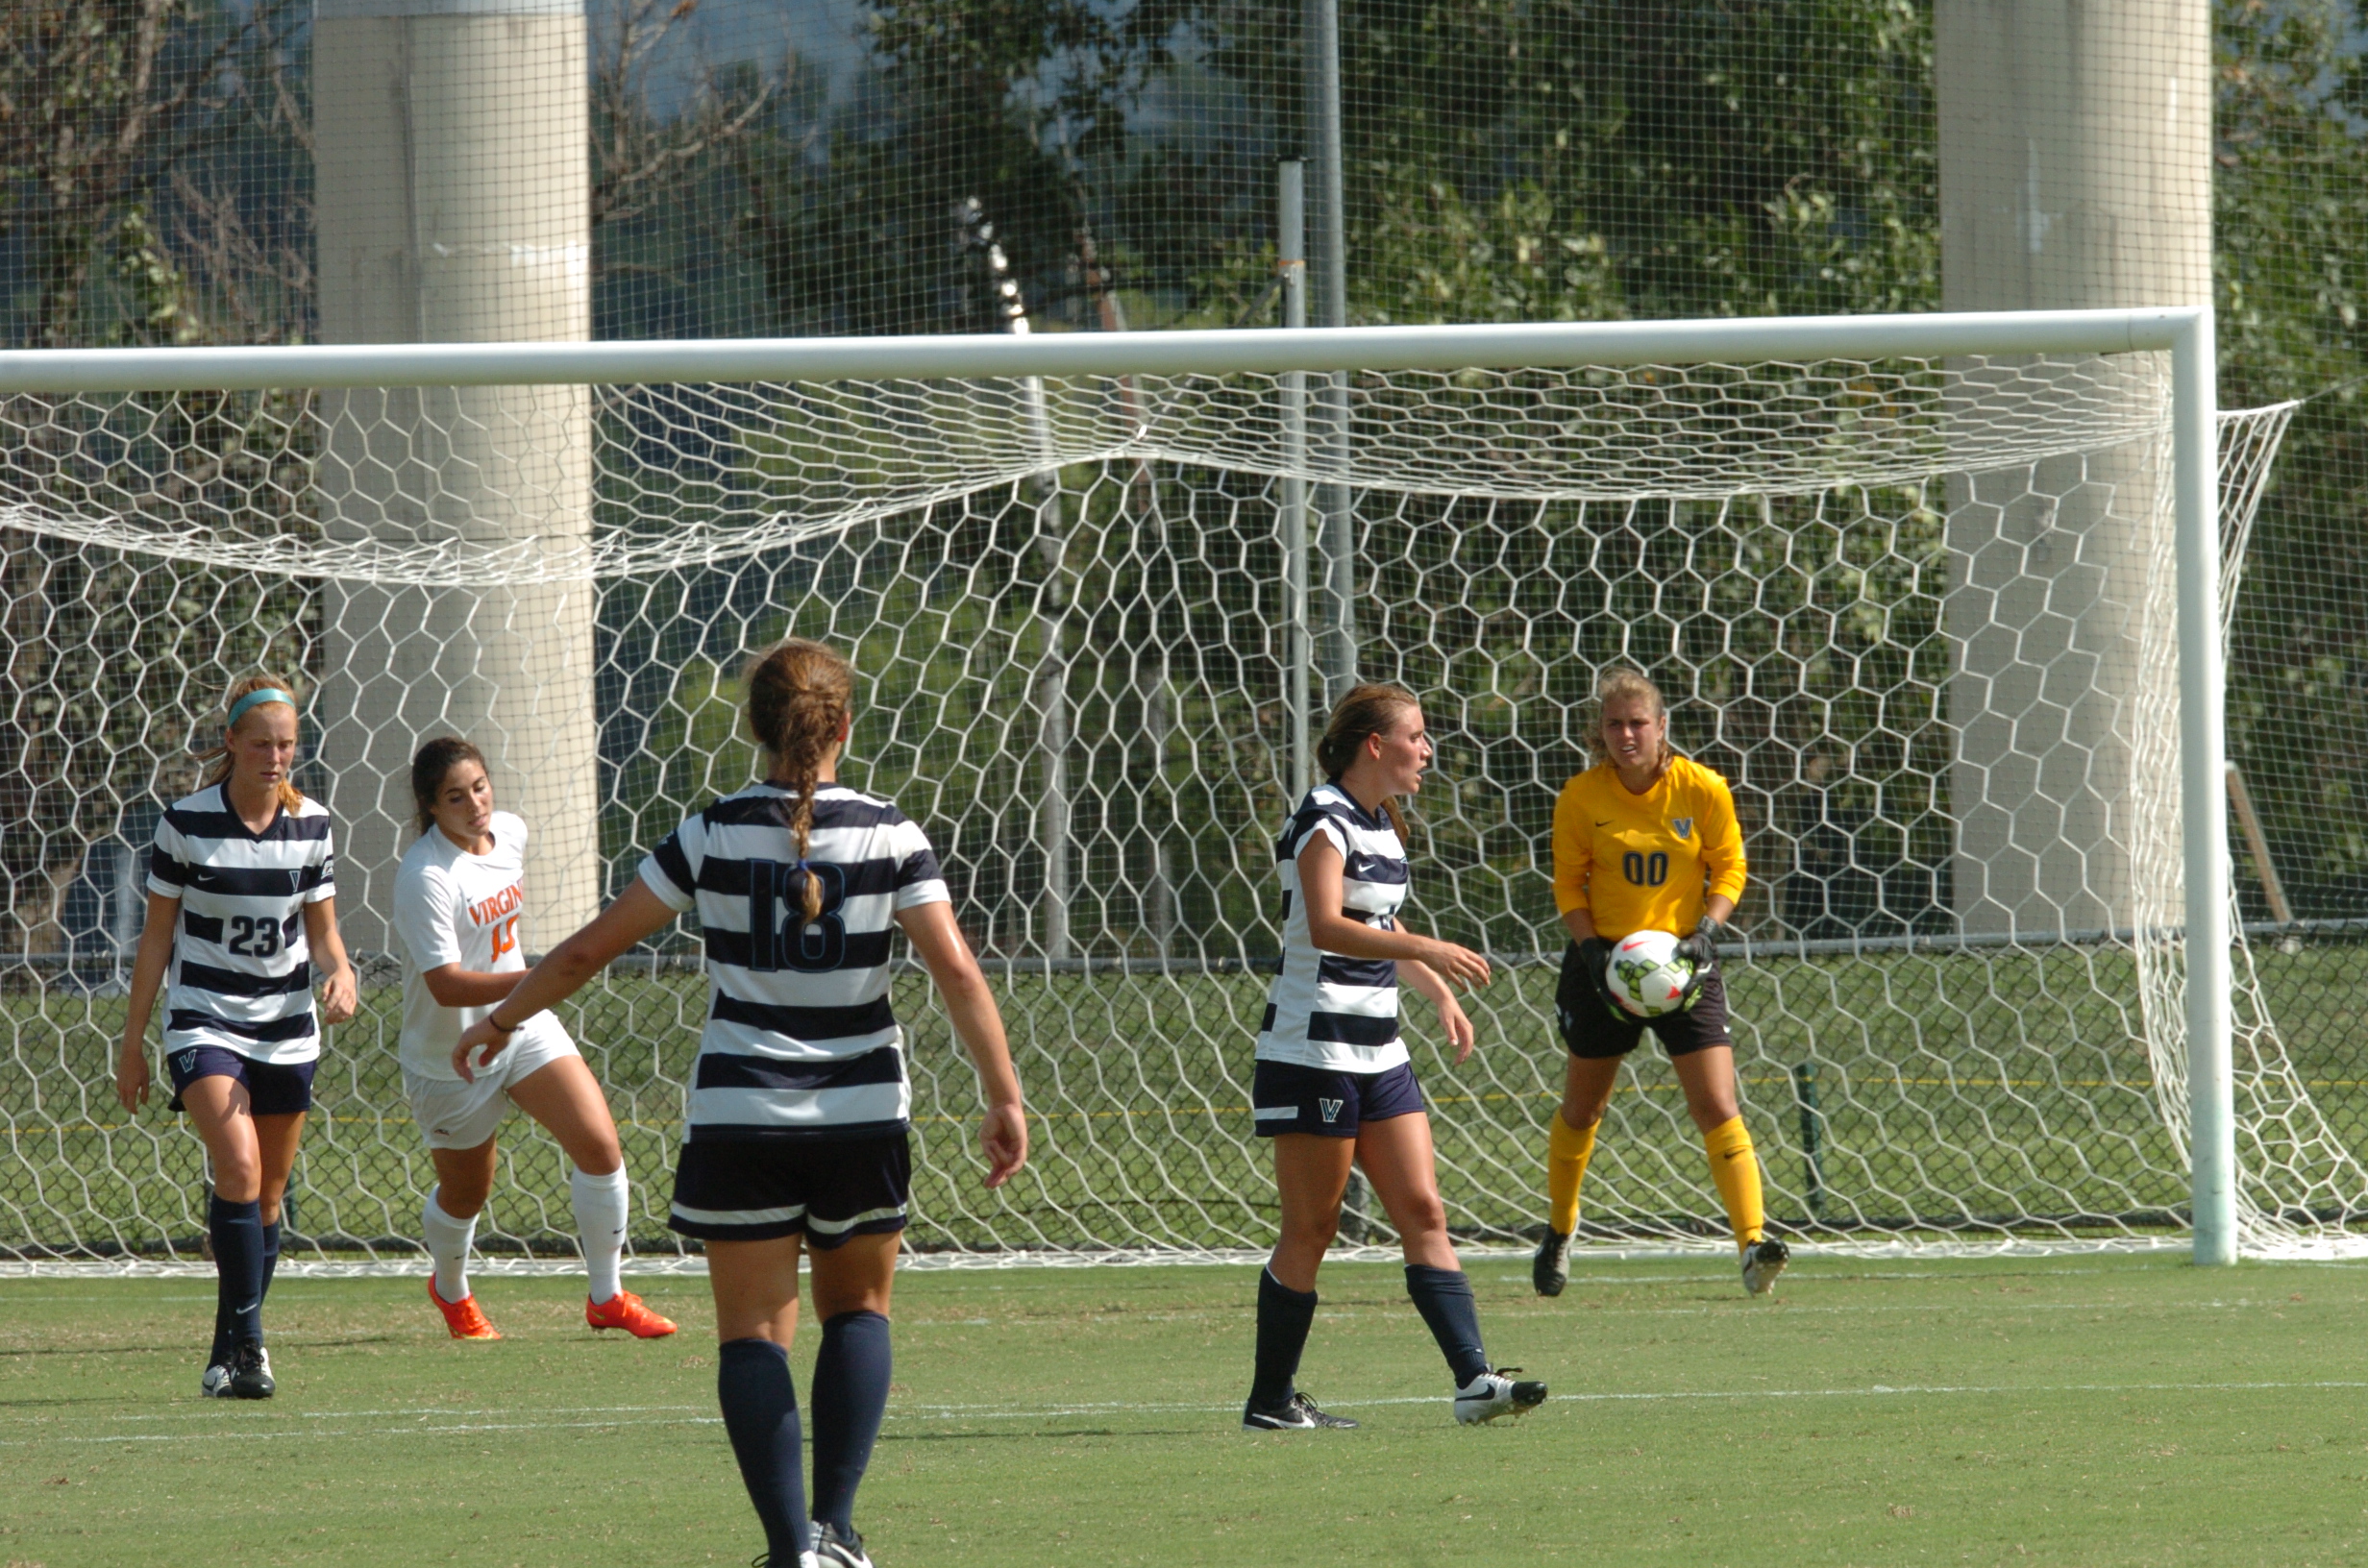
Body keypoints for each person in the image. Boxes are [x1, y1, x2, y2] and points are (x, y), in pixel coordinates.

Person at [456, 638, 1026, 1568]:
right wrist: (1003, 1096)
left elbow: (587, 951)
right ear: (843, 727)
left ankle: (787, 1549)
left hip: (740, 1116)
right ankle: (836, 1533)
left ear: (754, 728)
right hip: (859, 1116)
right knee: (859, 1313)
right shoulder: (891, 834)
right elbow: (958, 971)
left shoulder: (710, 834)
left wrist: (500, 1018)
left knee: (754, 1336)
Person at [1243, 683, 1548, 1432]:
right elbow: (1325, 925)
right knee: (1312, 1230)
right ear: (1375, 745)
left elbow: (1378, 922)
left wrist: (1437, 991)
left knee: (1422, 1209)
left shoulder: (1382, 822)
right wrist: (1429, 947)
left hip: (1380, 1051)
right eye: (1416, 736)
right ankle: (1271, 1403)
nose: (1427, 750)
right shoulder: (1323, 815)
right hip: (1314, 1050)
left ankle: (1475, 1381)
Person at [114, 674, 358, 1399]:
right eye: (261, 744)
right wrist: (133, 1043)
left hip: (286, 1028)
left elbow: (324, 932)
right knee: (241, 1170)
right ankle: (253, 1350)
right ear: (230, 743)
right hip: (204, 1018)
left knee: (269, 1199)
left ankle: (226, 1349)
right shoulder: (185, 823)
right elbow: (157, 938)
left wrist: (342, 973)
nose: (275, 757)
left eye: (286, 745)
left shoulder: (312, 824)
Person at [393, 737, 677, 1341]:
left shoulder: (511, 834)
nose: (475, 804)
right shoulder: (425, 875)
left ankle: (607, 1296)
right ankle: (451, 1289)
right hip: (450, 1056)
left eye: (479, 787)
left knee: (600, 1146)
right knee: (466, 1193)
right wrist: (544, 977)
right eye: (455, 797)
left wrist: (528, 997)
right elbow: (445, 985)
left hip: (521, 1023)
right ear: (430, 807)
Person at [1533, 667, 1785, 1299]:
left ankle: (1753, 1244)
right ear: (1600, 731)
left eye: (1638, 723)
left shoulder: (1702, 788)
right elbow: (1568, 883)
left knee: (1716, 1105)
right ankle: (1560, 1230)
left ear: (1661, 726)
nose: (1626, 735)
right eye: (1614, 724)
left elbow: (1730, 868)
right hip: (1603, 966)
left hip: (1683, 965)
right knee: (1584, 1109)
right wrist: (1591, 948)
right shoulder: (1581, 796)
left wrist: (1707, 931)